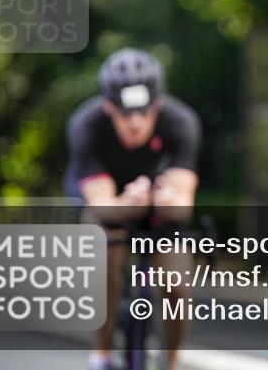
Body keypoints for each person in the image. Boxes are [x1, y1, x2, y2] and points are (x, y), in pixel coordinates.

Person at [63, 48, 201, 370]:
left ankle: (172, 361)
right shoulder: (86, 125)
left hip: (158, 209)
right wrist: (126, 204)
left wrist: (165, 201)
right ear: (109, 107)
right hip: (108, 206)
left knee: (176, 285)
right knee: (103, 255)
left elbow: (182, 207)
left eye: (143, 112)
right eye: (125, 114)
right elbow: (101, 203)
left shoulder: (181, 123)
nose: (135, 123)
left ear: (157, 105)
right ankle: (101, 354)